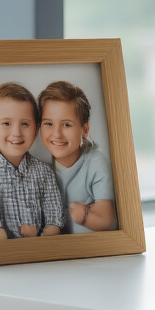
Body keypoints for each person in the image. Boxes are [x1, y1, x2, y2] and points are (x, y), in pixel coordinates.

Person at [0, 82, 64, 239]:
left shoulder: (45, 172)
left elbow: (54, 221)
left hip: (40, 248)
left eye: (25, 124)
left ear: (36, 129)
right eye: (6, 123)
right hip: (1, 251)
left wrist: (39, 239)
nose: (16, 132)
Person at [38, 81, 117, 233]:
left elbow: (106, 221)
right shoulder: (41, 169)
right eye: (48, 124)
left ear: (84, 130)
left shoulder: (96, 163)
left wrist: (81, 216)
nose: (57, 134)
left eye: (67, 125)